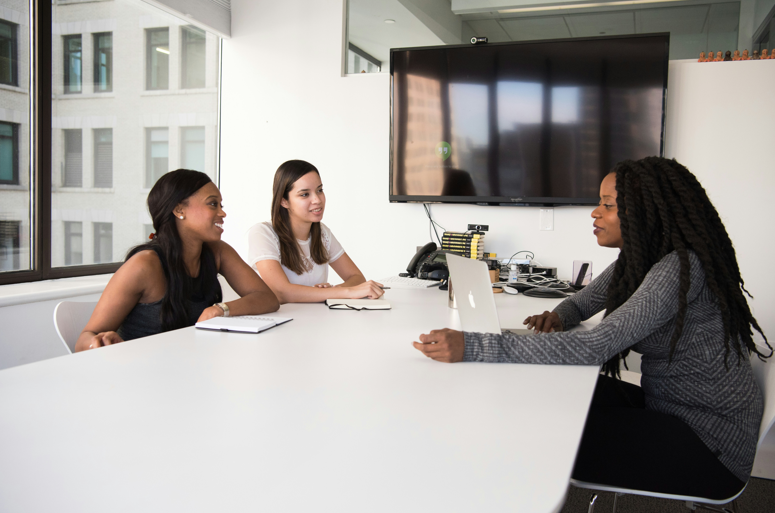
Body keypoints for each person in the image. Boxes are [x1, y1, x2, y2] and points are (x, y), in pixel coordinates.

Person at [413, 157, 771, 498]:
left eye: (608, 205)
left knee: (539, 432)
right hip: (669, 408)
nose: (595, 212)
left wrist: (474, 346)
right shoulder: (640, 261)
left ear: (644, 212)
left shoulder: (679, 268)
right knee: (551, 394)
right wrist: (560, 316)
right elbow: (584, 301)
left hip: (708, 445)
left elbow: (594, 346)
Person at [75, 170, 279, 351]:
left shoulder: (217, 252)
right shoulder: (144, 265)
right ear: (179, 210)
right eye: (212, 204)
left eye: (220, 205)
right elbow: (83, 340)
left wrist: (220, 309)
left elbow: (267, 299)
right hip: (141, 375)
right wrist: (99, 342)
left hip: (189, 367)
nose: (222, 212)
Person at [248, 160, 384, 303]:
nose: (317, 200)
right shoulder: (263, 233)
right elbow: (281, 292)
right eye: (305, 194)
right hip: (282, 322)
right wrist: (338, 292)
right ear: (284, 201)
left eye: (319, 190)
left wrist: (330, 292)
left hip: (316, 320)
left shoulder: (322, 232)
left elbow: (356, 277)